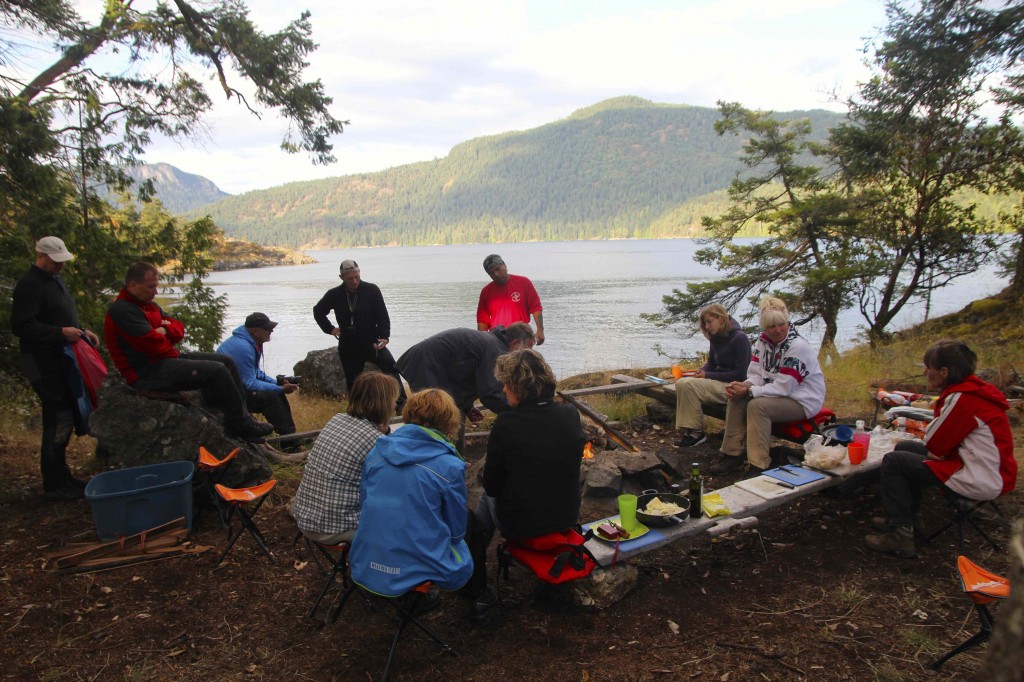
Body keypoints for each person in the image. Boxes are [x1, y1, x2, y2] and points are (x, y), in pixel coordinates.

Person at [865, 340, 1017, 558]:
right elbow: (939, 445)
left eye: (929, 367)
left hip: (979, 475)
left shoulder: (963, 399)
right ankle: (908, 521)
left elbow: (935, 444)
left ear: (944, 372)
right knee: (904, 446)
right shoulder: (975, 391)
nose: (925, 372)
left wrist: (937, 448)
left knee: (894, 461)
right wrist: (937, 449)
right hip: (990, 468)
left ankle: (900, 537)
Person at [465, 349, 585, 621]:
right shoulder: (569, 414)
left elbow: (492, 486)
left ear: (519, 386)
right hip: (566, 516)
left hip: (524, 527)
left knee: (484, 498)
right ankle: (475, 570)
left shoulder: (507, 424)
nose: (503, 389)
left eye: (507, 383)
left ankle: (475, 581)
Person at [104, 262, 272, 442]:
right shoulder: (123, 310)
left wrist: (165, 330)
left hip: (165, 359)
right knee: (217, 371)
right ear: (133, 285)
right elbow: (153, 345)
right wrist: (164, 333)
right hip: (146, 372)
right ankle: (240, 425)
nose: (155, 292)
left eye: (156, 286)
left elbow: (178, 329)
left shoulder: (148, 306)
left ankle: (241, 418)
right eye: (150, 287)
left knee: (227, 361)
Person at [349, 388, 473, 597]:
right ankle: (475, 597)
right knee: (465, 548)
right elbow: (456, 531)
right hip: (416, 563)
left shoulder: (377, 451)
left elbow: (365, 503)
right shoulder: (449, 466)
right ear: (448, 422)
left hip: (369, 558)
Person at [11, 237, 100, 500]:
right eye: (55, 261)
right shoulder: (29, 285)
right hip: (39, 362)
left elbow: (59, 314)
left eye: (62, 261)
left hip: (59, 359)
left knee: (66, 415)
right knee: (58, 416)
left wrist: (81, 330)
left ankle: (62, 475)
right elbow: (21, 326)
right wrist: (60, 332)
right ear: (40, 256)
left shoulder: (55, 280)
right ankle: (53, 484)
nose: (60, 265)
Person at [711, 296, 826, 474]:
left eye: (781, 324)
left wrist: (748, 391)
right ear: (764, 327)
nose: (777, 330)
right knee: (736, 397)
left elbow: (783, 387)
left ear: (787, 322)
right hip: (778, 394)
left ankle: (759, 464)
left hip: (802, 400)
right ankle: (732, 453)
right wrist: (742, 385)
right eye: (771, 326)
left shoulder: (797, 346)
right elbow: (757, 374)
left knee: (758, 406)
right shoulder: (763, 342)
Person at [291, 372, 400, 545]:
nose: (395, 405)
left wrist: (384, 430)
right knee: (400, 520)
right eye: (393, 400)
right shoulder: (375, 440)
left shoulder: (336, 420)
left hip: (305, 517)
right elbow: (392, 483)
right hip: (335, 528)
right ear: (383, 403)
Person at [396, 322, 536, 418]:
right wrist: (518, 412)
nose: (525, 355)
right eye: (527, 349)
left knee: (454, 415)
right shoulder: (495, 350)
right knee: (437, 415)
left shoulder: (494, 343)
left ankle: (453, 452)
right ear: (515, 343)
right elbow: (490, 394)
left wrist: (467, 407)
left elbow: (466, 374)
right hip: (425, 364)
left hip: (433, 365)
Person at [313, 259, 405, 404]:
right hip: (348, 344)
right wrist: (330, 329)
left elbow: (382, 316)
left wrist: (384, 337)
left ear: (360, 273)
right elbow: (318, 311)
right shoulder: (334, 294)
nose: (354, 281)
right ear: (342, 277)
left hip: (371, 341)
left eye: (357, 277)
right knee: (353, 381)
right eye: (350, 278)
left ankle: (401, 403)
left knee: (390, 366)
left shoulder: (372, 290)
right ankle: (357, 409)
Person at [674, 303, 751, 448]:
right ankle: (689, 430)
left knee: (689, 385)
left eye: (709, 322)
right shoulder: (716, 336)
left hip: (734, 386)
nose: (707, 326)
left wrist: (708, 375)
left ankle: (696, 433)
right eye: (705, 323)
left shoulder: (740, 339)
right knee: (681, 383)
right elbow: (711, 363)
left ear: (721, 319)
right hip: (718, 381)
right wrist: (701, 371)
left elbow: (741, 374)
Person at [216, 312, 298, 444]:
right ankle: (290, 443)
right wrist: (279, 388)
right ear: (255, 331)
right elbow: (250, 383)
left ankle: (291, 436)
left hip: (235, 387)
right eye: (267, 329)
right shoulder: (243, 347)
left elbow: (255, 372)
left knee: (276, 392)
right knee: (271, 397)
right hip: (228, 396)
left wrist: (277, 383)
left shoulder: (250, 342)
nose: (271, 331)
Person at [476, 254, 545, 345]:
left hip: (522, 335)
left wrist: (540, 330)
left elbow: (535, 307)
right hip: (497, 337)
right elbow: (482, 320)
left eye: (498, 269)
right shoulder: (486, 291)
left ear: (505, 266)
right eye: (491, 273)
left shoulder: (524, 282)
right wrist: (482, 342)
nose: (496, 274)